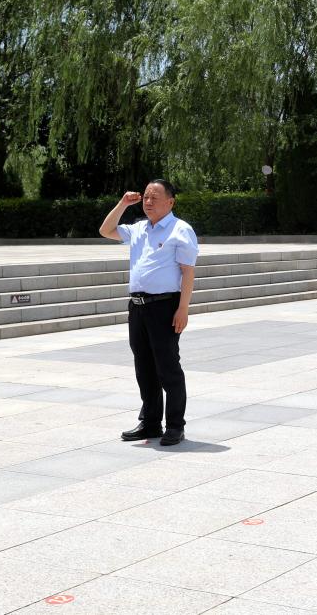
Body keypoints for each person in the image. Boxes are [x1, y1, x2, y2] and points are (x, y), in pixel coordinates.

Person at [99, 180, 198, 446]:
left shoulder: (181, 230)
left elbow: (188, 272)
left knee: (167, 367)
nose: (149, 202)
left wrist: (183, 309)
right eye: (146, 197)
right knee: (144, 367)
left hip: (165, 306)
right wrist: (123, 204)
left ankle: (175, 425)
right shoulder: (139, 228)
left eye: (155, 197)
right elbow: (105, 230)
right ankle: (151, 423)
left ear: (171, 202)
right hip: (138, 307)